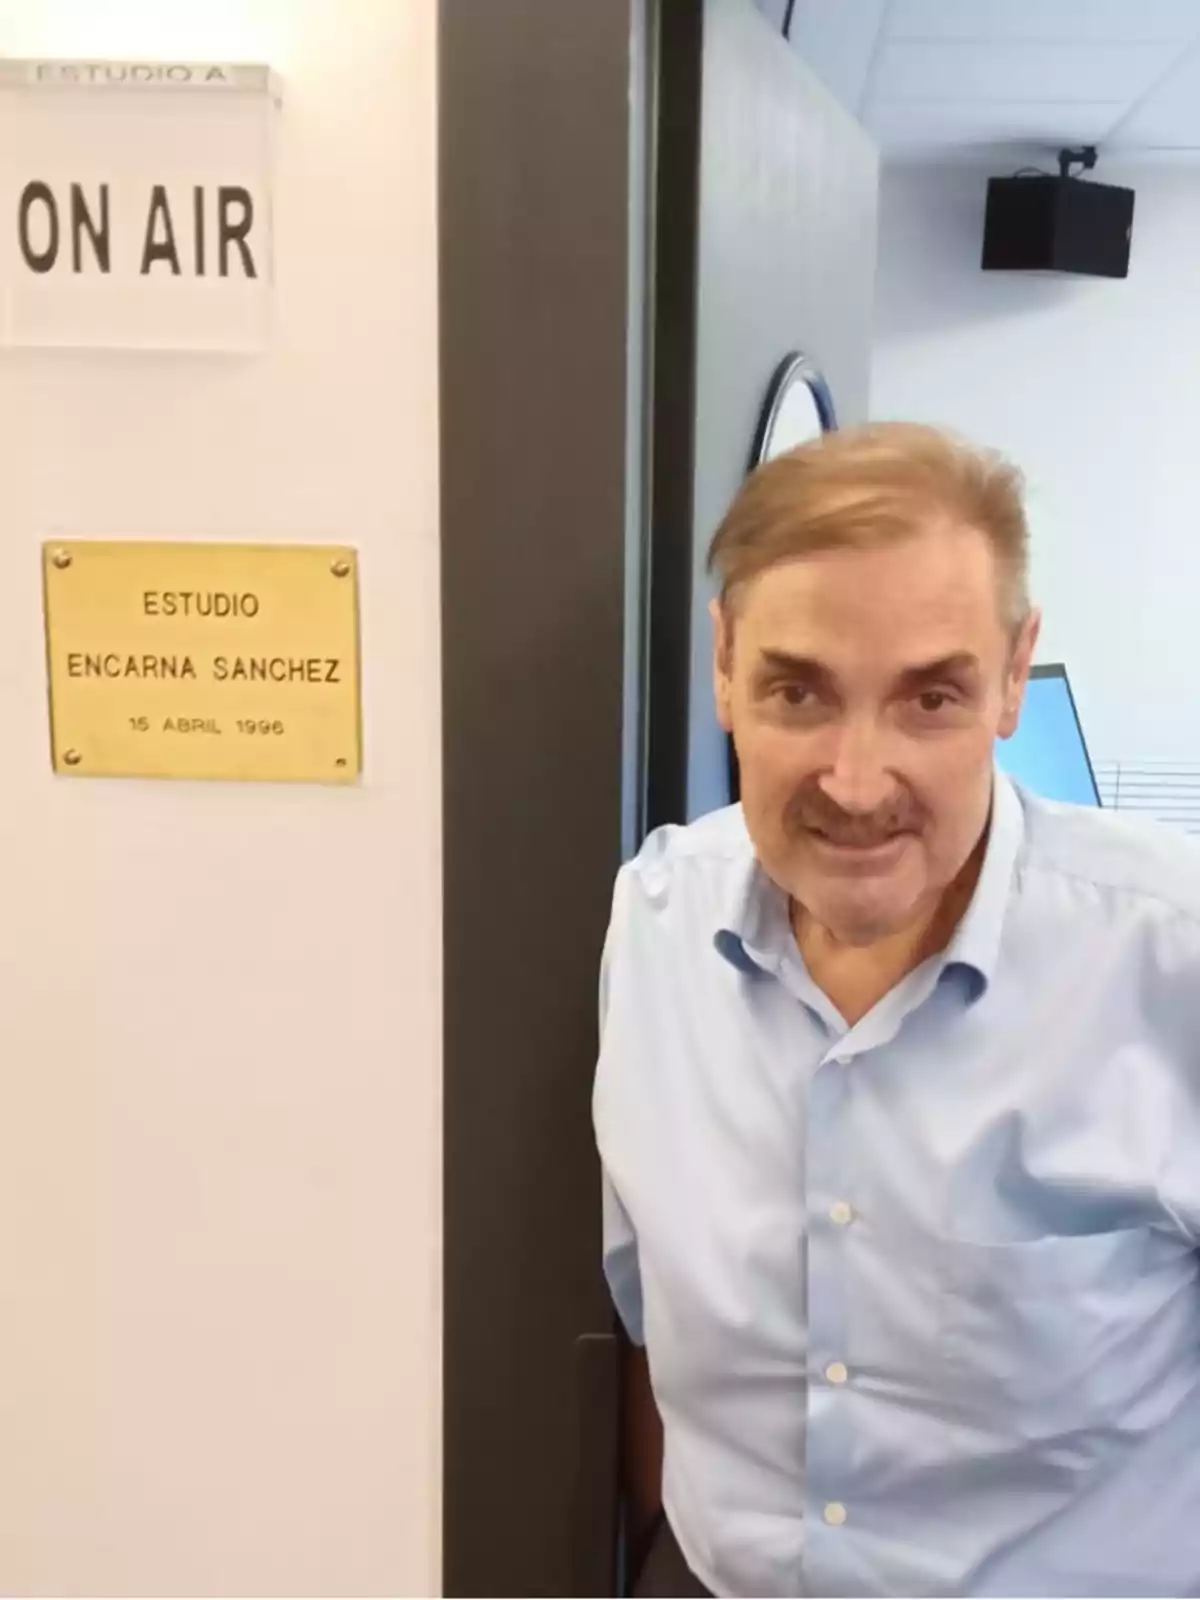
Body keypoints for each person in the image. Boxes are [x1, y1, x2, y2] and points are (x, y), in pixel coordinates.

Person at [592, 422, 1200, 1599]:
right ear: (723, 663)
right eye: (797, 691)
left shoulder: (1168, 962)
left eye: (930, 698)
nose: (857, 782)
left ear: (1017, 673)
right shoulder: (653, 926)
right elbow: (644, 1326)